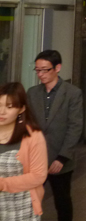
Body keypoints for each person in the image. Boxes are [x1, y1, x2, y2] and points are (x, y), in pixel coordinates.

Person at [27, 50, 83, 221]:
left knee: (62, 199)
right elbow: (27, 123)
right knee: (30, 198)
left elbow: (75, 127)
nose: (41, 74)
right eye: (37, 70)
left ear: (57, 68)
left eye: (45, 70)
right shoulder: (32, 92)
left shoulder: (72, 93)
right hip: (35, 158)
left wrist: (62, 157)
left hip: (60, 157)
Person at [0, 82, 49, 221]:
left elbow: (38, 176)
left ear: (21, 109)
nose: (2, 112)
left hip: (21, 207)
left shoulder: (33, 136)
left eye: (9, 107)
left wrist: (2, 184)